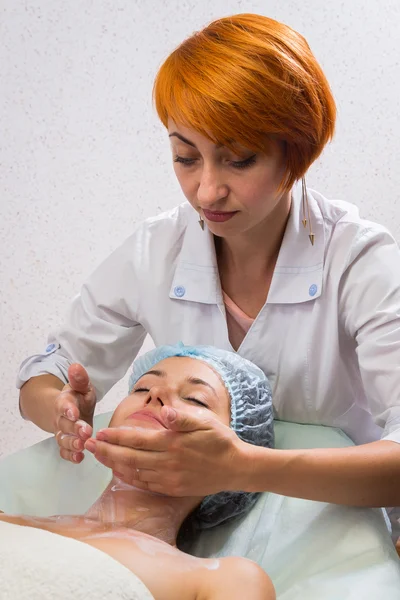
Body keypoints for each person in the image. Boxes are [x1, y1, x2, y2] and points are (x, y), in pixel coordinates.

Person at [17, 13, 400, 532]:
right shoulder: (156, 249)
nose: (206, 191)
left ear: (298, 154)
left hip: (334, 532)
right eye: (185, 156)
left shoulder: (361, 261)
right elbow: (48, 375)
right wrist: (62, 410)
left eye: (239, 160)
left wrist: (242, 467)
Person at [4, 346, 275, 600]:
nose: (153, 394)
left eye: (196, 399)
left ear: (231, 464)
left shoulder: (224, 580)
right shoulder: (9, 521)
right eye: (141, 387)